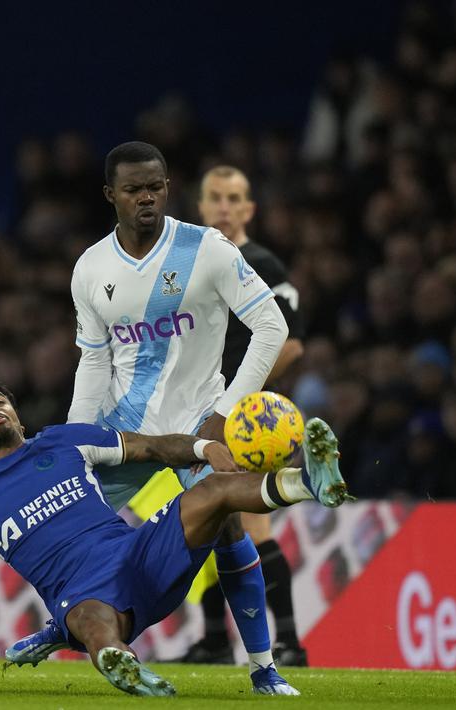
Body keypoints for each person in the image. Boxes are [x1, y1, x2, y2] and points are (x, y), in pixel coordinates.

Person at [0, 376, 350, 697]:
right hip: (82, 594)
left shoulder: (65, 441)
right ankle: (123, 666)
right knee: (90, 620)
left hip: (137, 553)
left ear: (18, 416)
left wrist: (201, 446)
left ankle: (310, 482)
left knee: (214, 494)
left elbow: (152, 446)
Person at [7, 142, 297, 693]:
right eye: (135, 188)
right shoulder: (91, 267)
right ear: (110, 195)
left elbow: (272, 327)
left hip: (199, 425)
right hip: (129, 431)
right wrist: (76, 438)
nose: (148, 197)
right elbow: (94, 359)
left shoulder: (205, 249)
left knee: (231, 530)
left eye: (157, 186)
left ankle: (264, 669)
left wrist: (225, 412)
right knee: (60, 526)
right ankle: (63, 627)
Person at [172, 165, 308, 665]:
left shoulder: (262, 264)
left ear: (249, 209)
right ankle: (212, 640)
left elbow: (290, 346)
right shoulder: (192, 265)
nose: (224, 207)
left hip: (249, 421)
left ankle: (291, 643)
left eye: (234, 198)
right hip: (195, 417)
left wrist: (240, 405)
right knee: (210, 522)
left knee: (253, 527)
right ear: (201, 207)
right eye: (215, 198)